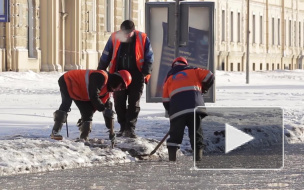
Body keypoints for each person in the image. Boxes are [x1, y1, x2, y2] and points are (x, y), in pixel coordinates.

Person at [97, 20, 154, 138]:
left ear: (133, 31)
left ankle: (130, 129)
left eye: (128, 33)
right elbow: (106, 54)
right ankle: (123, 127)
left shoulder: (142, 37)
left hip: (137, 75)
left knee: (134, 103)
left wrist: (145, 72)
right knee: (119, 102)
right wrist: (100, 71)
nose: (126, 36)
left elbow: (149, 56)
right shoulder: (114, 37)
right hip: (118, 75)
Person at [50, 69, 132, 142]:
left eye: (122, 89)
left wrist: (111, 130)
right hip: (68, 80)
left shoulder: (107, 91)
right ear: (117, 80)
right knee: (66, 103)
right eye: (121, 86)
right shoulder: (101, 77)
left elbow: (107, 109)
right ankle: (55, 132)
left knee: (88, 112)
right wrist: (103, 109)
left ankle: (83, 138)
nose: (120, 89)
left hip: (80, 91)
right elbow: (93, 95)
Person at [162, 57, 215, 161]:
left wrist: (172, 113)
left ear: (174, 66)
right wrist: (204, 88)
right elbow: (210, 76)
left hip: (177, 109)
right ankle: (198, 159)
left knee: (175, 136)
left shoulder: (169, 78)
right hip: (195, 107)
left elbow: (165, 100)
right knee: (196, 134)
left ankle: (172, 161)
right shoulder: (194, 70)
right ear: (185, 64)